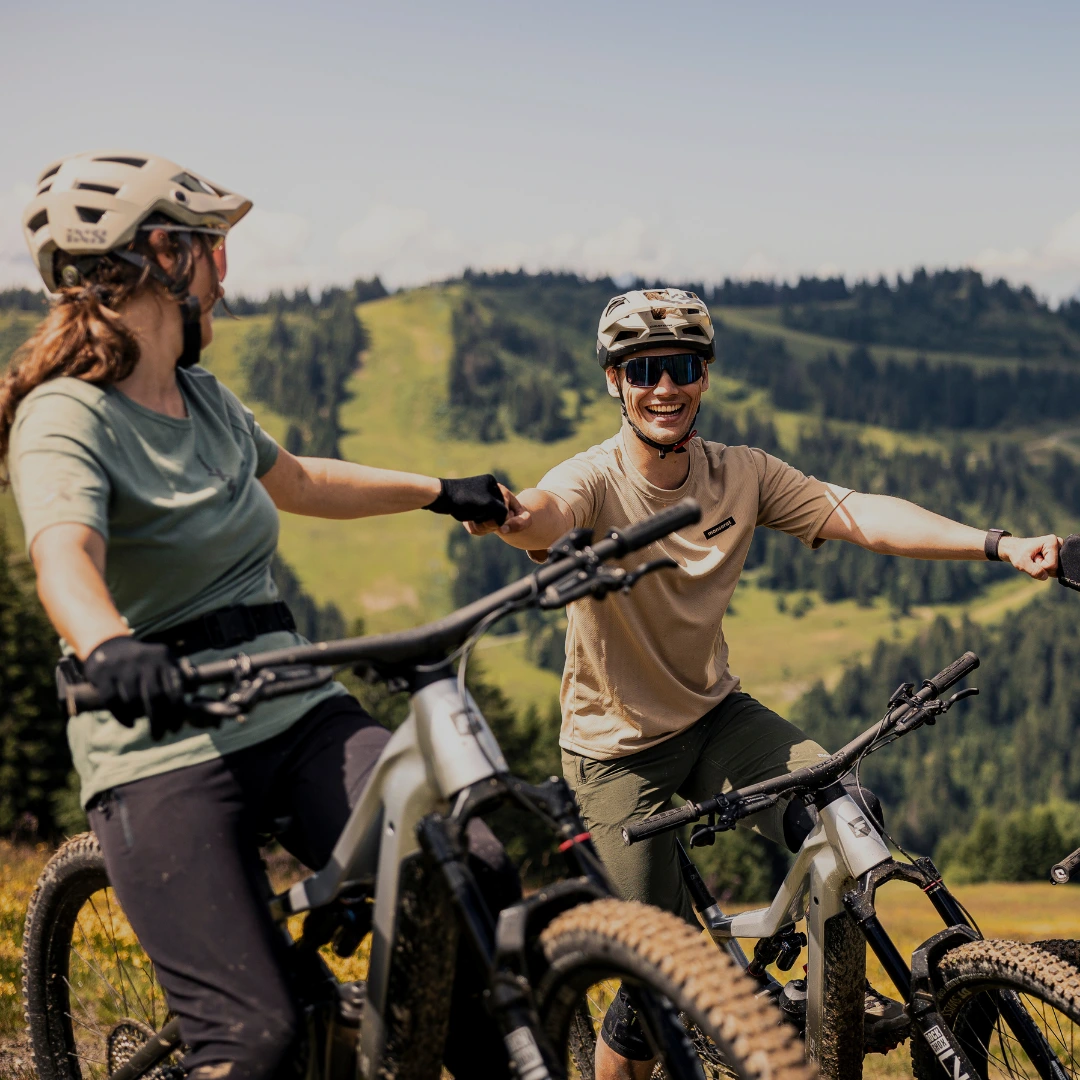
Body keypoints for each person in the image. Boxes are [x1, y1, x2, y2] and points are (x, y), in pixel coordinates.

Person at [1, 151, 527, 1080]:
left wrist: (442, 491)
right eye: (213, 247)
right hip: (160, 740)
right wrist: (110, 645)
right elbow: (63, 557)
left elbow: (301, 480)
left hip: (290, 707)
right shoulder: (65, 419)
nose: (226, 273)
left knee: (469, 871)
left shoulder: (205, 400)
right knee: (259, 1037)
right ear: (161, 254)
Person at [467, 286, 1062, 1079]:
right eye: (642, 369)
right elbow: (544, 513)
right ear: (615, 381)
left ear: (704, 375)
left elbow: (855, 514)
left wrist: (998, 544)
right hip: (616, 753)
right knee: (659, 971)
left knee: (850, 819)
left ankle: (825, 1022)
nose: (663, 387)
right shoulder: (596, 480)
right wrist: (507, 511)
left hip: (717, 718)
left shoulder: (740, 474)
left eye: (680, 366)